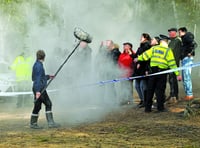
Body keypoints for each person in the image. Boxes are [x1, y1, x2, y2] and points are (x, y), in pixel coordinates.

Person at [134, 35, 181, 112]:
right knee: (160, 90)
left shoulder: (154, 48)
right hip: (162, 73)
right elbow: (172, 63)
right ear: (166, 42)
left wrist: (138, 58)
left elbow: (145, 56)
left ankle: (147, 108)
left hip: (153, 72)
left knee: (150, 90)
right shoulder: (168, 50)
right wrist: (177, 74)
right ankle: (160, 107)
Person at [30, 50, 60, 129]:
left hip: (37, 88)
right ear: (44, 57)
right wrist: (37, 91)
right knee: (48, 104)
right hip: (40, 89)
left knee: (37, 106)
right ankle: (51, 123)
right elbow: (37, 79)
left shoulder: (37, 64)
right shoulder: (39, 66)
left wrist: (48, 77)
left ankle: (33, 123)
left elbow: (38, 77)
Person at [132, 33, 151, 108]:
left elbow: (146, 58)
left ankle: (145, 101)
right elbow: (136, 55)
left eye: (141, 37)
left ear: (145, 38)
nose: (140, 38)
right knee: (137, 86)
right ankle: (142, 100)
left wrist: (139, 62)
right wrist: (132, 55)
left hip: (143, 68)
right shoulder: (140, 47)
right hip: (138, 70)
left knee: (142, 86)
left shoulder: (147, 46)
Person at [178, 27, 197, 101]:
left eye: (179, 32)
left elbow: (195, 44)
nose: (178, 33)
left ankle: (190, 95)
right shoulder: (183, 39)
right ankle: (187, 94)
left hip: (187, 59)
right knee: (184, 77)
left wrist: (191, 53)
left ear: (183, 32)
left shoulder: (187, 37)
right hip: (184, 59)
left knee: (187, 77)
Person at [166, 28, 182, 103]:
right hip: (170, 63)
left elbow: (173, 52)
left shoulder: (177, 41)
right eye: (169, 32)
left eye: (170, 32)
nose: (169, 34)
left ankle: (174, 95)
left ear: (174, 33)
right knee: (170, 79)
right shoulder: (172, 41)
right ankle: (172, 94)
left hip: (174, 63)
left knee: (173, 79)